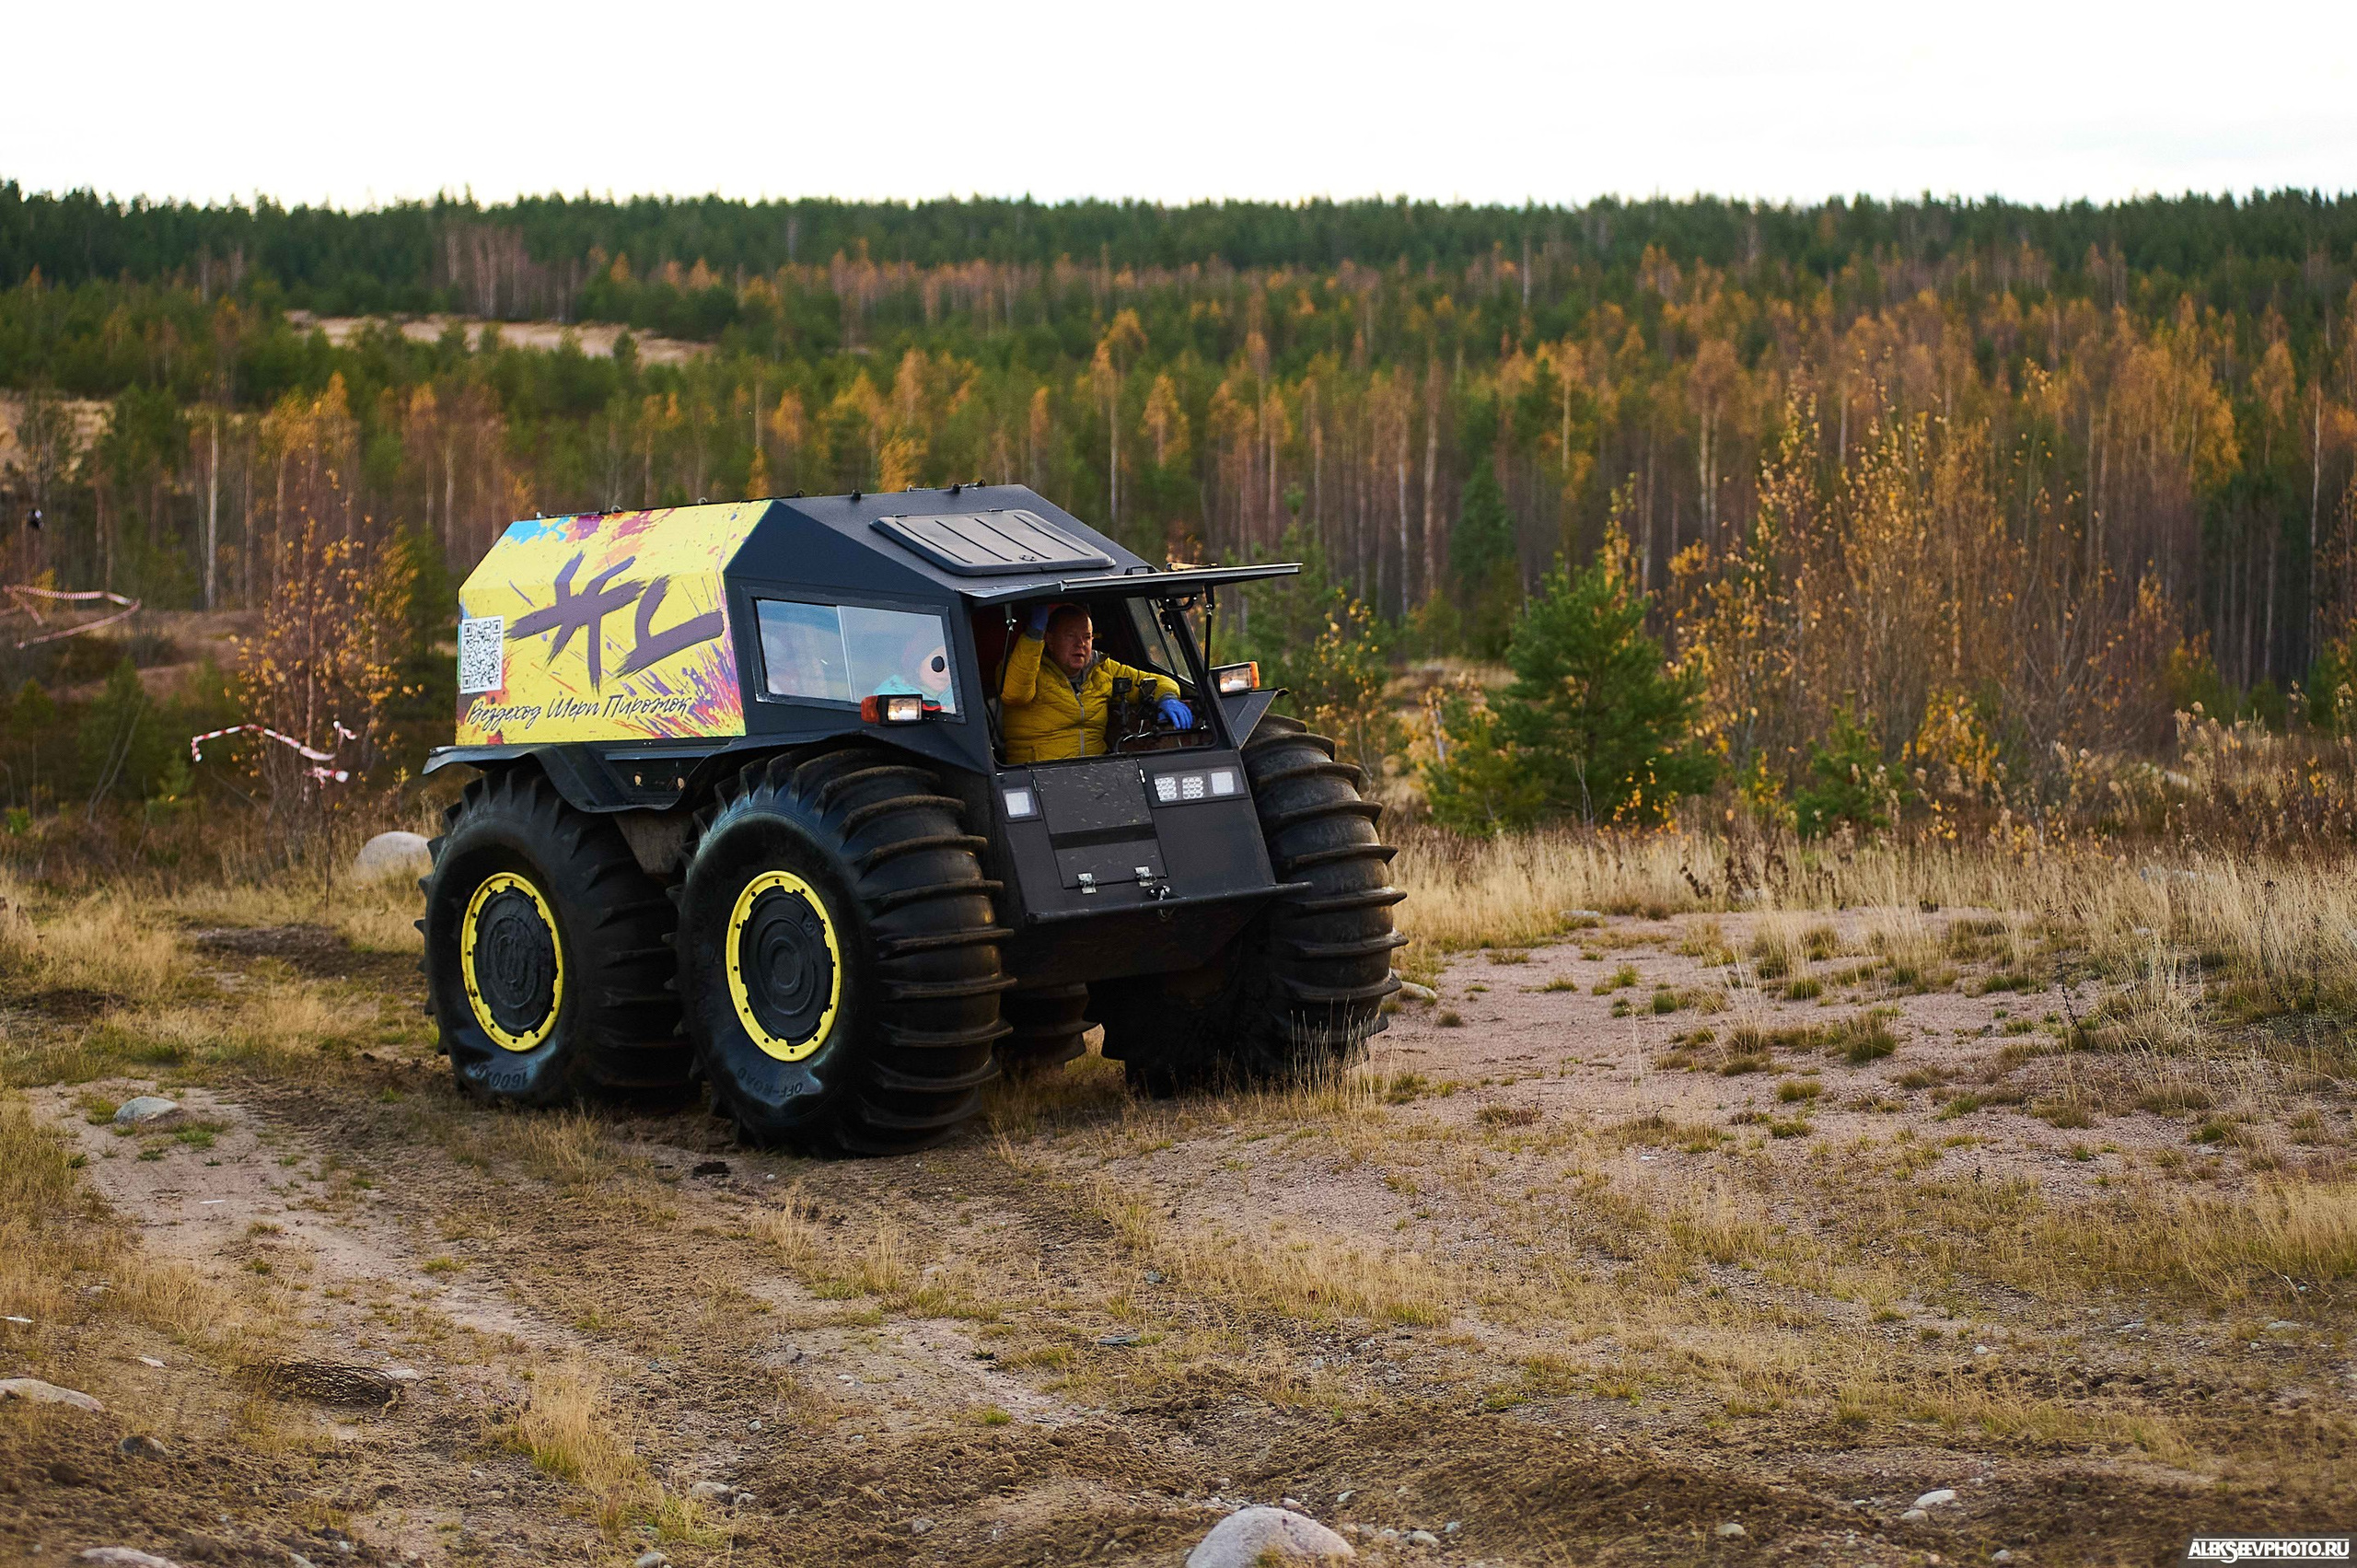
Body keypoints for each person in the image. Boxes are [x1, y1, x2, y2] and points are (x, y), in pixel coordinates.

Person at [1000, 602, 1191, 763]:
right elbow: (1015, 695)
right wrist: (1033, 635)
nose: (1080, 644)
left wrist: (1167, 698)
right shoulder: (1022, 666)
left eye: (1086, 637)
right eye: (1070, 636)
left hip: (1095, 774)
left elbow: (1157, 681)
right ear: (1049, 640)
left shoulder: (1102, 669)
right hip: (1036, 775)